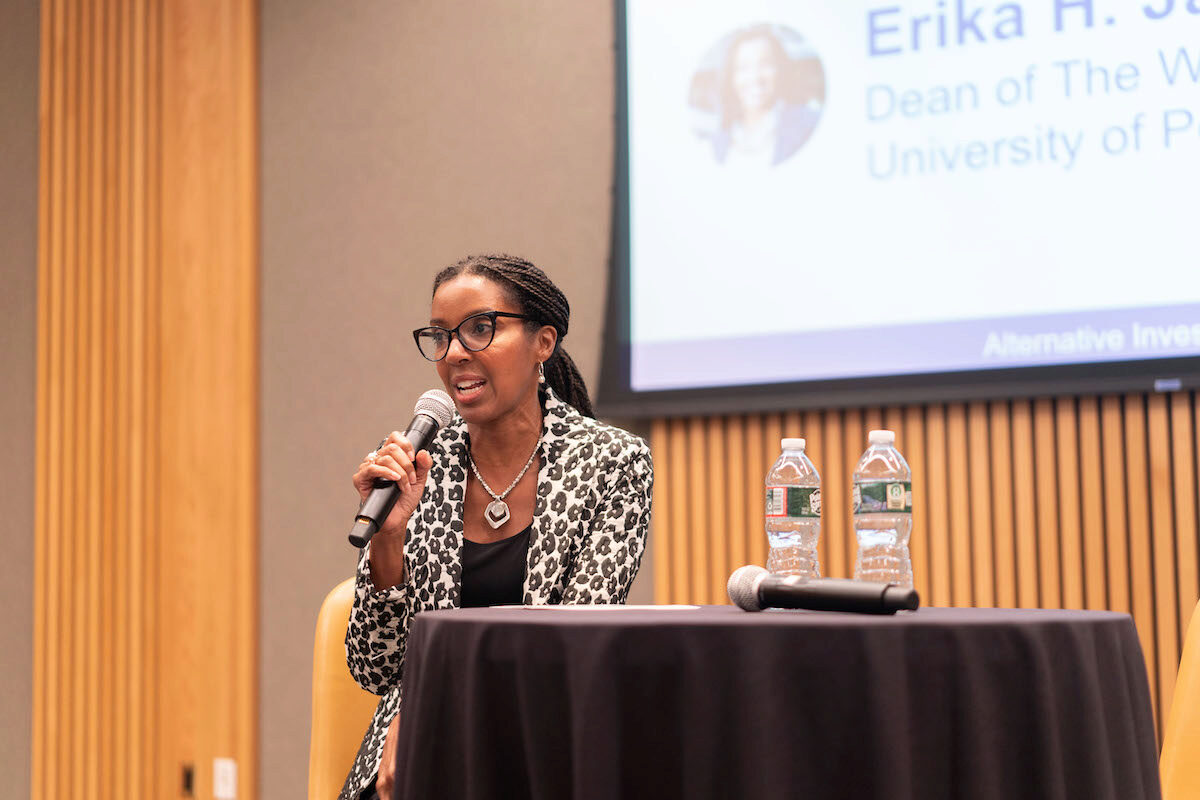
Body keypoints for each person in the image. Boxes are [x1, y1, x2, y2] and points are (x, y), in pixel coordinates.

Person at [338, 254, 654, 800]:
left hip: (543, 746)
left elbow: (571, 643)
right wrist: (389, 539)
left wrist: (429, 714)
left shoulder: (612, 462)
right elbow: (376, 665)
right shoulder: (419, 467)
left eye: (480, 329)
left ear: (543, 343)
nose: (455, 351)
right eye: (440, 336)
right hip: (409, 756)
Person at [711, 25, 821, 166]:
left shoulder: (807, 124)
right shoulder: (719, 141)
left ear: (780, 69)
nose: (755, 77)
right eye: (743, 67)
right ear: (731, 78)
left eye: (765, 63)